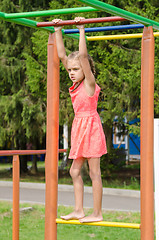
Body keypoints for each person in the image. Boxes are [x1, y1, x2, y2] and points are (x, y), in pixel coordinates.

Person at [53, 17, 107, 223]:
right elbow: (61, 55)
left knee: (94, 173)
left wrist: (81, 29)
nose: (72, 73)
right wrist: (58, 30)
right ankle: (78, 209)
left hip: (91, 128)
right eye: (70, 70)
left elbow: (83, 56)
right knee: (74, 170)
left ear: (86, 70)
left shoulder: (90, 84)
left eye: (76, 70)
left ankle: (97, 212)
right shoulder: (75, 85)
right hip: (79, 128)